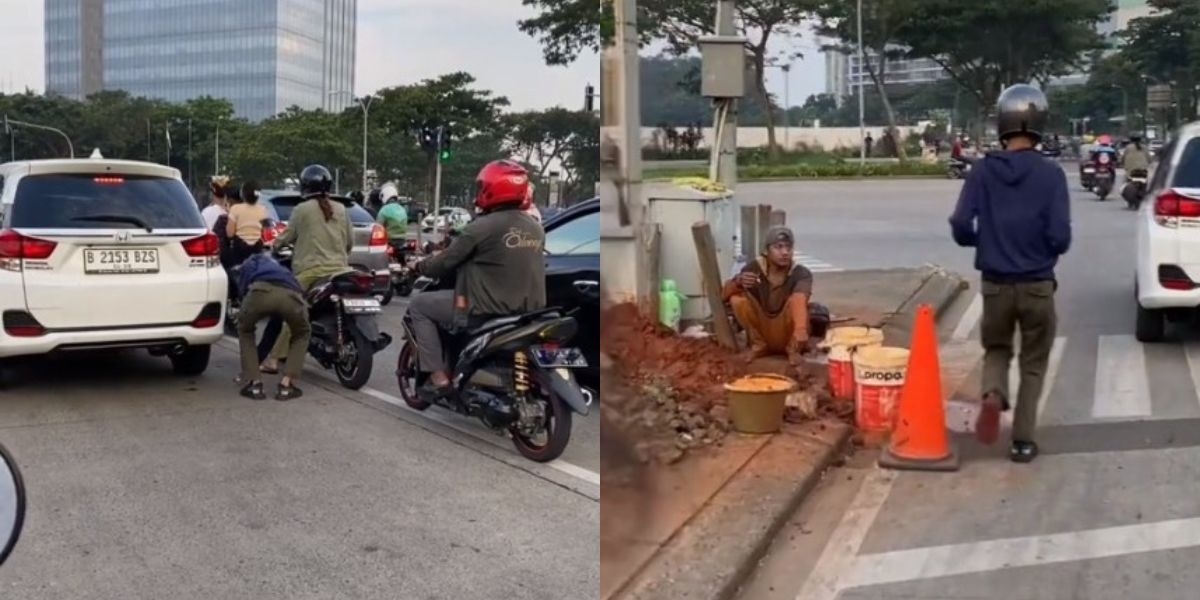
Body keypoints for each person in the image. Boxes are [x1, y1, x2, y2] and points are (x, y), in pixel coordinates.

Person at [948, 83, 1071, 464]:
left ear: (1001, 122)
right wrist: (1042, 251)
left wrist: (983, 241)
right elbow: (1060, 237)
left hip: (996, 285)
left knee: (997, 349)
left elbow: (959, 222)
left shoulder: (983, 172)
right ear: (1039, 124)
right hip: (1036, 285)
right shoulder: (1052, 175)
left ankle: (993, 395)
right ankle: (1022, 441)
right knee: (1034, 362)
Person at [408, 160, 546, 401]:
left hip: (485, 307)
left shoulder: (481, 227)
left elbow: (446, 261)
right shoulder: (535, 227)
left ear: (492, 189)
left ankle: (438, 378)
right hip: (528, 309)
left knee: (420, 305)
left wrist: (419, 266)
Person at [261, 164, 354, 374]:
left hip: (310, 272)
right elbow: (350, 241)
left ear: (305, 185)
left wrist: (273, 246)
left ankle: (274, 359)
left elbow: (286, 236)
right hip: (340, 270)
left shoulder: (302, 209)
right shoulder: (341, 208)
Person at [722, 226, 829, 368]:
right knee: (737, 300)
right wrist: (738, 282)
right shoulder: (754, 268)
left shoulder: (800, 273)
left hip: (788, 330)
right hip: (763, 326)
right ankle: (759, 345)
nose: (785, 252)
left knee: (796, 304)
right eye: (778, 247)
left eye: (788, 247)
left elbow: (799, 299)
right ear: (767, 251)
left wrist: (800, 329)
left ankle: (793, 349)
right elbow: (723, 296)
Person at [234, 251, 311, 401]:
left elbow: (243, 288)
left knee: (245, 330)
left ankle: (254, 384)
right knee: (302, 332)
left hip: (260, 292)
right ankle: (287, 385)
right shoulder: (281, 267)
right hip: (291, 295)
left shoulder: (252, 260)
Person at [225, 180, 268, 265]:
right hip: (257, 248)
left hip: (240, 249)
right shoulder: (263, 210)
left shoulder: (235, 208)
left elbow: (229, 233)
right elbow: (264, 231)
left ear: (242, 194)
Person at [376, 183, 409, 249]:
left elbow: (378, 227)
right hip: (403, 240)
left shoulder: (384, 210)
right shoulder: (402, 209)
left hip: (389, 241)